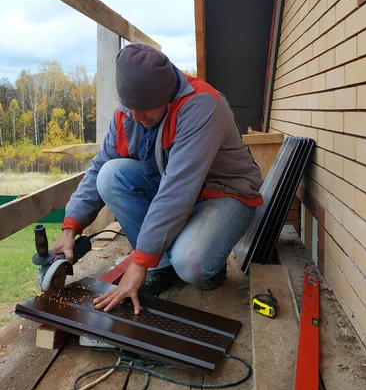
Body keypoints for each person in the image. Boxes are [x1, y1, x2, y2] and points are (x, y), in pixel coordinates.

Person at [51, 43, 262, 314]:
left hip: (226, 192)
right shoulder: (129, 112)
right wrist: (70, 228)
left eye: (147, 108)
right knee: (110, 174)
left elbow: (177, 190)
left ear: (167, 96)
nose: (137, 117)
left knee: (191, 264)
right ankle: (161, 267)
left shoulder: (203, 105)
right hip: (177, 189)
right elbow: (99, 165)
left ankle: (210, 265)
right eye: (130, 108)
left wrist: (137, 265)